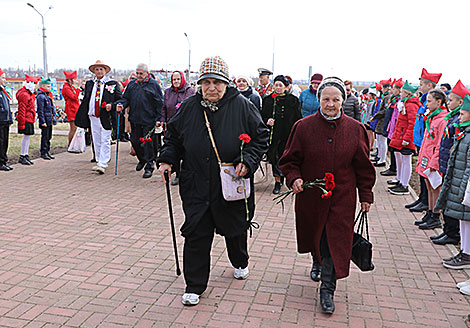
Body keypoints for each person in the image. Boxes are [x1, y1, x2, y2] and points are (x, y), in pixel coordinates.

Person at [156, 56, 269, 306]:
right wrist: (167, 160)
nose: (212, 88)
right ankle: (194, 285)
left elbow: (261, 137)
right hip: (196, 181)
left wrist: (248, 161)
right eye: (206, 82)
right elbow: (173, 138)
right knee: (196, 231)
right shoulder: (190, 106)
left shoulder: (242, 105)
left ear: (226, 83)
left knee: (235, 228)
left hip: (231, 181)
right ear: (199, 84)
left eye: (217, 82)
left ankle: (240, 261)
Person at [279, 77, 376, 314]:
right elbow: (289, 160)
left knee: (335, 239)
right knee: (317, 233)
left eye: (336, 99)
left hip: (342, 196)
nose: (330, 104)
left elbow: (363, 167)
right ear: (318, 99)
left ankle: (327, 288)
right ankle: (316, 260)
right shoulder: (303, 127)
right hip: (311, 194)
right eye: (326, 99)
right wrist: (294, 178)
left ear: (343, 100)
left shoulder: (355, 129)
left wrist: (366, 195)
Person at [431, 81, 470, 245]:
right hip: (449, 163)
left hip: (455, 166)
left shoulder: (457, 122)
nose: (448, 102)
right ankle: (449, 230)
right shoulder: (452, 118)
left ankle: (453, 233)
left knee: (455, 202)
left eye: (451, 99)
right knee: (449, 199)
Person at [75, 60, 122, 174]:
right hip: (93, 115)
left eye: (101, 69)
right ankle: (99, 159)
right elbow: (87, 98)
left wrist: (113, 105)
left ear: (105, 71)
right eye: (97, 69)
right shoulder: (90, 83)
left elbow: (119, 99)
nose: (99, 71)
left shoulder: (112, 84)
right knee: (96, 139)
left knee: (105, 139)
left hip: (105, 116)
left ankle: (103, 162)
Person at [117, 63, 163, 179]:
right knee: (135, 141)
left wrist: (159, 118)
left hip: (149, 119)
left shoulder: (154, 85)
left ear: (147, 73)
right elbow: (125, 98)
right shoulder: (132, 84)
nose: (138, 75)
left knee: (148, 144)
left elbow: (159, 102)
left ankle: (149, 166)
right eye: (137, 73)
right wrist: (121, 105)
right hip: (135, 118)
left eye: (141, 73)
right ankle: (142, 159)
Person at [407, 68, 442, 213]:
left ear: (429, 85)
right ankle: (422, 199)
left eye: (421, 84)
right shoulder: (423, 102)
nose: (419, 87)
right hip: (422, 142)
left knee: (427, 176)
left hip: (427, 144)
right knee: (422, 174)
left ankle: (427, 204)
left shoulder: (433, 105)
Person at [261, 75, 302, 194]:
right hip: (274, 135)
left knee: (285, 157)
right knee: (274, 157)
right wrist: (267, 121)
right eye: (276, 85)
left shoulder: (293, 100)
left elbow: (298, 117)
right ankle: (277, 182)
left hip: (288, 134)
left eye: (281, 85)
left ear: (286, 87)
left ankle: (284, 178)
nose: (278, 88)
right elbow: (262, 115)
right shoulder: (268, 100)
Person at [414, 88, 448, 230]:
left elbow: (440, 143)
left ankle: (435, 215)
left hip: (433, 159)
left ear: (438, 102)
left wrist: (434, 161)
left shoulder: (442, 120)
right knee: (428, 186)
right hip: (426, 156)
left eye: (429, 101)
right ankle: (429, 211)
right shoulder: (432, 116)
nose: (426, 104)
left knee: (435, 187)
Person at [160, 70, 196, 185]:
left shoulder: (190, 91)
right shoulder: (167, 92)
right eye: (174, 79)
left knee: (184, 151)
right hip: (172, 125)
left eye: (178, 79)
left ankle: (181, 174)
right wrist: (162, 120)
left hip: (186, 125)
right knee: (172, 148)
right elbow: (164, 108)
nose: (176, 81)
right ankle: (175, 171)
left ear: (182, 80)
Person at [387, 81, 420, 195]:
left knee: (406, 161)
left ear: (407, 93)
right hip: (402, 136)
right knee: (402, 159)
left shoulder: (411, 105)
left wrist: (407, 137)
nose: (400, 94)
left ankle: (405, 185)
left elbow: (412, 123)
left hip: (406, 138)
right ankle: (401, 181)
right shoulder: (405, 103)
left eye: (402, 92)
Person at [380, 78, 404, 177]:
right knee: (392, 150)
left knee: (396, 152)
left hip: (396, 129)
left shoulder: (399, 102)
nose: (391, 90)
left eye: (394, 89)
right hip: (391, 128)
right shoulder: (393, 100)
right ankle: (392, 168)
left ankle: (395, 170)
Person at [16, 74, 40, 165]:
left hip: (29, 118)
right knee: (26, 137)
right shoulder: (25, 95)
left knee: (27, 137)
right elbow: (21, 109)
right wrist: (21, 123)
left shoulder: (29, 94)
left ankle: (25, 154)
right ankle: (23, 155)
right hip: (26, 119)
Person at [371, 79, 393, 167]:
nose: (382, 90)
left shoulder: (387, 97)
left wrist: (376, 115)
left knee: (382, 141)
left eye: (383, 88)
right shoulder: (385, 96)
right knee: (380, 141)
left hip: (383, 121)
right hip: (381, 121)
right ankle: (380, 156)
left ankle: (382, 159)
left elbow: (384, 110)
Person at [36, 78, 56, 160]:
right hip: (45, 120)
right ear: (42, 86)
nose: (49, 87)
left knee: (49, 137)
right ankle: (43, 152)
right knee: (45, 136)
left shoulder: (47, 95)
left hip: (49, 119)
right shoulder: (41, 96)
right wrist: (42, 121)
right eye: (48, 86)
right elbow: (40, 110)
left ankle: (47, 151)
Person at [62, 70, 81, 145]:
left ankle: (73, 144)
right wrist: (78, 89)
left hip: (74, 108)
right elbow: (74, 97)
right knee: (73, 128)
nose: (75, 81)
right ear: (70, 80)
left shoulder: (70, 87)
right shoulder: (66, 88)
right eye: (74, 79)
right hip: (71, 109)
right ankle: (71, 144)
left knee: (75, 128)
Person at [0, 68, 13, 171]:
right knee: (1, 141)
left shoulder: (4, 90)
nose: (5, 79)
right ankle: (1, 162)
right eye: (3, 77)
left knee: (5, 141)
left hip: (6, 120)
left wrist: (10, 119)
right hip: (0, 120)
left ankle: (4, 160)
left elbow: (7, 105)